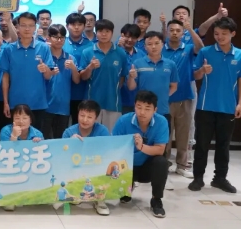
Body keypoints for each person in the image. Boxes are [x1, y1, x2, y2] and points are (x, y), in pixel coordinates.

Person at [188, 17, 241, 194]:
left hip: (228, 107)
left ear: (233, 34)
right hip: (205, 107)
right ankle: (198, 178)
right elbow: (195, 75)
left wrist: (240, 103)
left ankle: (220, 178)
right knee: (202, 144)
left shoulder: (239, 55)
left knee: (223, 145)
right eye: (217, 33)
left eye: (224, 33)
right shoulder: (206, 52)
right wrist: (202, 71)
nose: (220, 37)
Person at [126, 31, 178, 190]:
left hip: (162, 112)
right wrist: (131, 77)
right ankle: (132, 178)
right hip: (142, 114)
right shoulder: (138, 63)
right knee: (136, 146)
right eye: (149, 44)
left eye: (156, 43)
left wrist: (162, 99)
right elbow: (131, 87)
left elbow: (174, 86)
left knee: (161, 150)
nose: (153, 46)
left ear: (163, 44)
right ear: (144, 46)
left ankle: (159, 181)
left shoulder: (170, 64)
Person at [113, 90, 169, 218]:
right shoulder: (123, 121)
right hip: (127, 166)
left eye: (147, 108)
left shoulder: (161, 122)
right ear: (134, 106)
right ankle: (127, 186)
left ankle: (156, 199)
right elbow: (114, 146)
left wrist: (142, 147)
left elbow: (160, 149)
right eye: (139, 107)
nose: (142, 112)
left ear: (155, 110)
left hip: (147, 167)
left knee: (161, 162)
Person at [163, 19, 202, 179]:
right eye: (171, 30)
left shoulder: (189, 48)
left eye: (178, 30)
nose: (174, 33)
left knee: (183, 134)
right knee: (165, 135)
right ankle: (163, 164)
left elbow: (200, 47)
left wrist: (190, 30)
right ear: (167, 31)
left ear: (182, 33)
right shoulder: (161, 49)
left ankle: (181, 165)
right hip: (165, 99)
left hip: (185, 98)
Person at [2, 13, 54, 131]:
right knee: (16, 136)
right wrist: (5, 102)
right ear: (17, 27)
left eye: (30, 25)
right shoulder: (8, 49)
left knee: (36, 138)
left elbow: (48, 76)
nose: (27, 29)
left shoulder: (44, 47)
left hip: (38, 103)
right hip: (15, 103)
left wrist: (45, 69)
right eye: (23, 25)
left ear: (35, 27)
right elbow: (5, 77)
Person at [62, 99, 110, 215]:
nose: (84, 120)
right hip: (76, 166)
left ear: (96, 118)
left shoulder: (102, 131)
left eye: (89, 117)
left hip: (96, 165)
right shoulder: (69, 132)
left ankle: (100, 200)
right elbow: (62, 155)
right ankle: (76, 194)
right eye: (82, 115)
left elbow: (107, 152)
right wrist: (70, 143)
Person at [79, 19, 128, 132]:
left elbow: (122, 78)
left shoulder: (121, 53)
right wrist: (90, 67)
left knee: (111, 137)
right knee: (90, 135)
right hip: (91, 102)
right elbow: (83, 77)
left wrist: (113, 89)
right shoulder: (87, 52)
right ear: (96, 33)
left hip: (113, 103)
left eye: (107, 31)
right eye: (101, 31)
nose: (104, 34)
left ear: (112, 33)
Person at [0, 104, 43, 211]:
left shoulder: (37, 133)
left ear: (30, 120)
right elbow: (5, 152)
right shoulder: (6, 131)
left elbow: (42, 157)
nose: (21, 121)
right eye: (17, 118)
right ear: (12, 119)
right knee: (9, 206)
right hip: (11, 167)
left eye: (24, 118)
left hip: (29, 167)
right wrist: (13, 136)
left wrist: (38, 145)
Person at [44, 24, 80, 139]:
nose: (59, 40)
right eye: (56, 37)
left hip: (63, 107)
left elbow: (77, 80)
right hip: (44, 106)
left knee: (60, 142)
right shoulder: (44, 57)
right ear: (48, 38)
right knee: (44, 142)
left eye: (62, 37)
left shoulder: (71, 58)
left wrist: (73, 68)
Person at [64, 12, 92, 127]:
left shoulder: (91, 46)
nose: (76, 27)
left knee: (81, 127)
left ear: (84, 26)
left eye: (80, 24)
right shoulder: (61, 43)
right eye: (73, 24)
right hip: (62, 94)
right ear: (67, 26)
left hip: (83, 94)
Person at [118, 24, 146, 113]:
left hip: (137, 100)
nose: (130, 40)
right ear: (122, 36)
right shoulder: (114, 51)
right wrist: (118, 48)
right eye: (127, 36)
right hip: (118, 100)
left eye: (133, 37)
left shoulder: (142, 54)